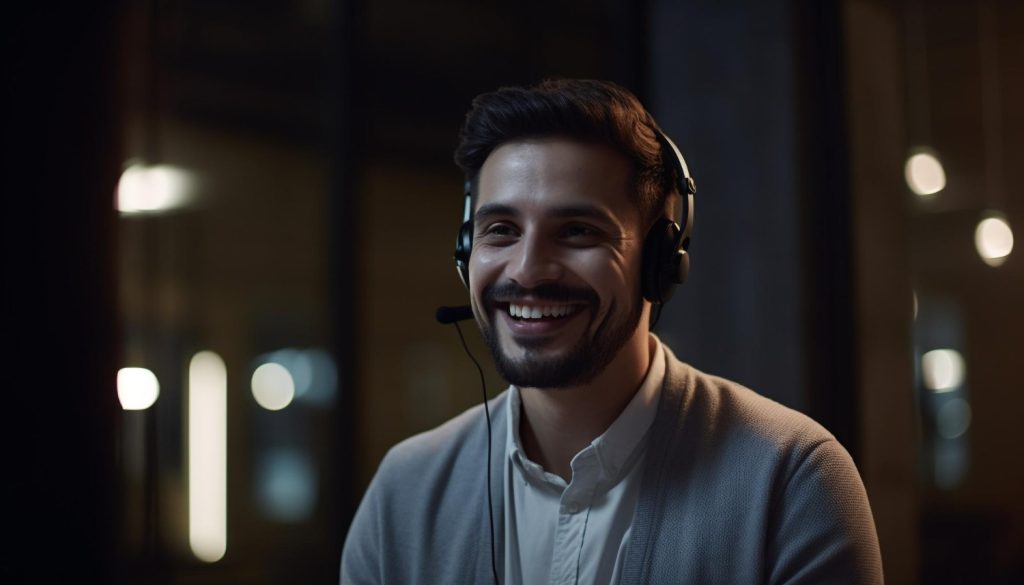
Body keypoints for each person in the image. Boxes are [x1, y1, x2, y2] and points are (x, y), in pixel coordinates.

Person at [341, 79, 883, 584]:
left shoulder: (792, 482)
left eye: (577, 231)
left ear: (659, 260)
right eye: (500, 230)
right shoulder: (405, 494)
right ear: (466, 253)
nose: (527, 271)